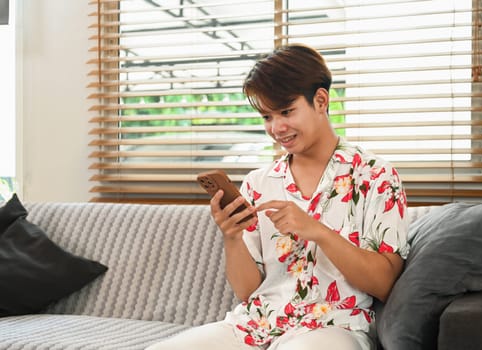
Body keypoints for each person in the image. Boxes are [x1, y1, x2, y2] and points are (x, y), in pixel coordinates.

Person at [146, 43, 409, 350]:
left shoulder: (375, 175)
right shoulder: (259, 182)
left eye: (286, 111)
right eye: (267, 117)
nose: (276, 128)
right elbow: (248, 291)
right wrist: (231, 237)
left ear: (321, 100)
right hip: (255, 324)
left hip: (334, 327)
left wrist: (317, 232)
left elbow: (385, 284)